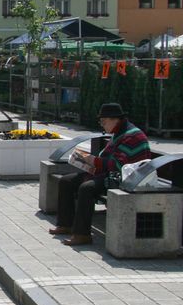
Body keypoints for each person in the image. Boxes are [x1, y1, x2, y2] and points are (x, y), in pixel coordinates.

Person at [50, 103, 151, 246]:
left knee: (86, 188)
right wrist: (88, 162)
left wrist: (93, 161)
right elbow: (109, 161)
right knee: (67, 181)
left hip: (124, 179)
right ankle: (65, 224)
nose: (102, 125)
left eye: (103, 122)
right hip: (108, 174)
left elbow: (118, 165)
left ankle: (82, 234)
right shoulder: (119, 132)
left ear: (115, 119)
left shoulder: (132, 136)